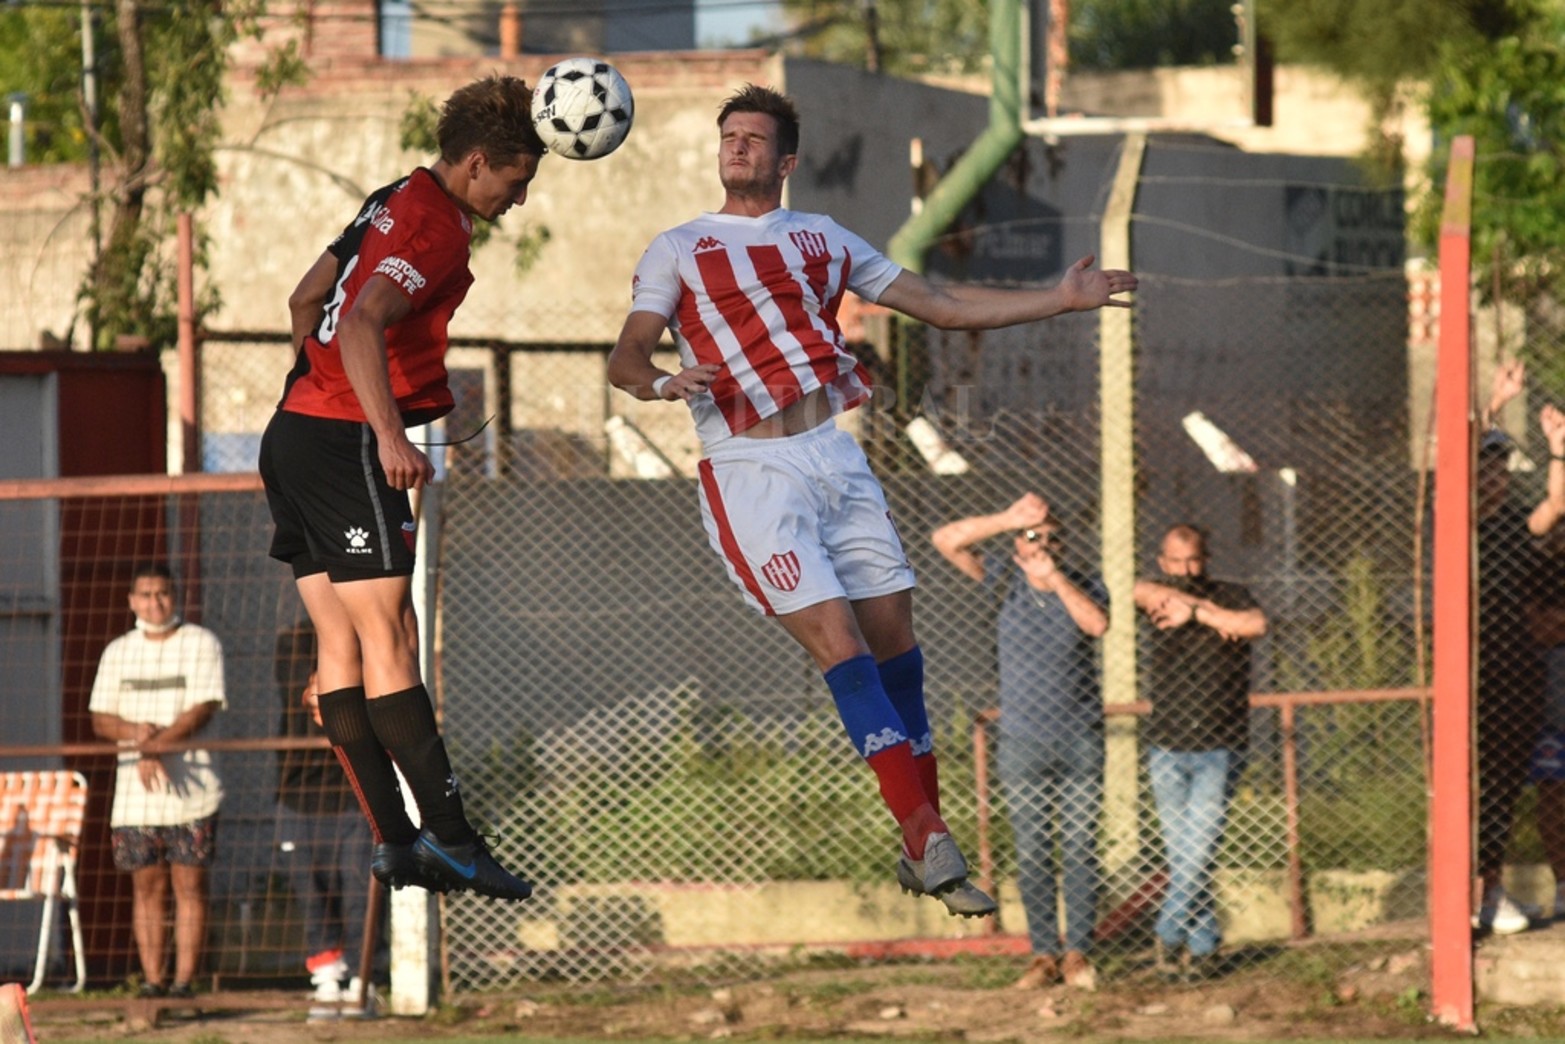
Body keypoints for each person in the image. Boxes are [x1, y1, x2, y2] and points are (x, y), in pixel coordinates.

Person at [606, 84, 1136, 918]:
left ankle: (917, 840)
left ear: (784, 161)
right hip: (749, 468)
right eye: (728, 137)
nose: (736, 147)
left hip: (832, 456)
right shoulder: (678, 246)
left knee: (899, 649)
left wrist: (1058, 300)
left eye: (752, 138)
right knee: (839, 640)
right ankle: (925, 832)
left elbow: (943, 305)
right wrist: (664, 381)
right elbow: (625, 358)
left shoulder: (822, 238)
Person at [257, 74, 544, 902]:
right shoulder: (438, 230)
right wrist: (383, 433)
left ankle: (392, 843)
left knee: (341, 647)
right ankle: (452, 841)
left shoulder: (394, 195)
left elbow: (306, 296)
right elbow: (357, 320)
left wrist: (305, 397)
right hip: (344, 441)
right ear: (480, 162)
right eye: (516, 182)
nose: (517, 201)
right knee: (391, 640)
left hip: (293, 434)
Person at [931, 494, 1107, 988]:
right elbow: (945, 540)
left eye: (1052, 538)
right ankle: (1044, 953)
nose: (1043, 544)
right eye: (1034, 537)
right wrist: (1009, 518)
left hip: (1079, 738)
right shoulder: (1001, 583)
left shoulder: (1086, 585)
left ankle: (1078, 953)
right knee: (1032, 853)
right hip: (1023, 740)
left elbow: (1097, 624)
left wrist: (1054, 578)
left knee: (1079, 848)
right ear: (1016, 544)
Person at [1132, 525, 1267, 980]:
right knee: (1187, 855)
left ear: (1206, 559)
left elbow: (1255, 624)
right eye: (1176, 562)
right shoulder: (1157, 597)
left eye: (1194, 561)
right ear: (1162, 560)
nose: (1186, 570)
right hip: (1167, 746)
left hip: (1219, 744)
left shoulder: (1228, 593)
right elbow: (1130, 589)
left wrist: (1201, 613)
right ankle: (1205, 945)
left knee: (1199, 847)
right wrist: (1194, 609)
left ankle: (1168, 934)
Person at [88, 564, 226, 999]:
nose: (155, 603)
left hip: (193, 792)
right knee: (146, 886)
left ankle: (184, 984)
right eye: (145, 595)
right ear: (132, 601)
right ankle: (152, 982)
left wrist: (156, 745)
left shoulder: (201, 643)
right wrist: (137, 735)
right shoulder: (118, 652)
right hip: (135, 797)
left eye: (162, 593)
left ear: (175, 596)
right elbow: (100, 718)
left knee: (190, 884)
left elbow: (202, 707)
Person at [1470, 360, 1552, 934]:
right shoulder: (1462, 521)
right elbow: (1456, 466)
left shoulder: (1513, 522)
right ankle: (1472, 892)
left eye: (1499, 468)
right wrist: (1495, 403)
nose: (1493, 477)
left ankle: (1491, 891)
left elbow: (1555, 507)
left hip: (1516, 671)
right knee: (1472, 784)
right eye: (1484, 467)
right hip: (1474, 670)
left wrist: (1560, 449)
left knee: (1502, 785)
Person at [273, 623, 381, 1020]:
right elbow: (306, 684)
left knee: (359, 889)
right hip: (299, 796)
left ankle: (362, 981)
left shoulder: (368, 636)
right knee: (312, 893)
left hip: (354, 791)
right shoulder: (295, 640)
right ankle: (327, 980)